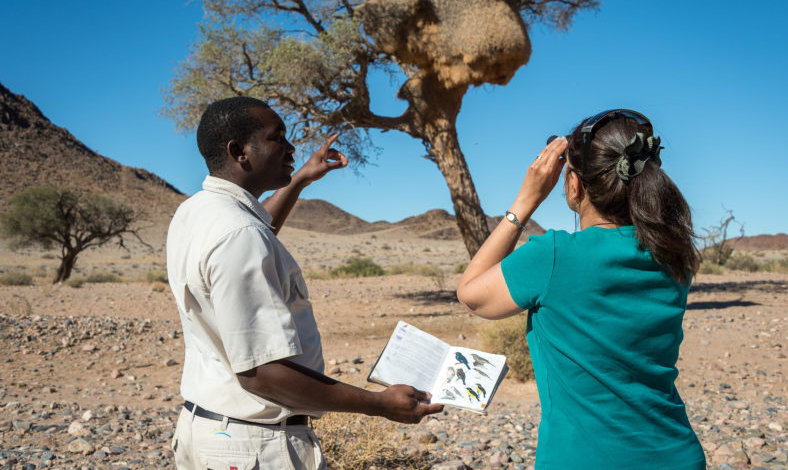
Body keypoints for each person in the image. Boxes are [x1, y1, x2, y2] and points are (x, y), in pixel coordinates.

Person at [167, 96, 442, 470]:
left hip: (210, 429)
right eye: (277, 137)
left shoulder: (198, 211)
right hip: (256, 446)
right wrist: (378, 404)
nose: (291, 147)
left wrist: (300, 179)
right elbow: (260, 374)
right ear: (239, 151)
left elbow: (257, 230)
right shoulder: (239, 233)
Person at [457, 109, 705, 469]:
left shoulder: (555, 256)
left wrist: (525, 202)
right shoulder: (675, 256)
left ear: (574, 185)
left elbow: (471, 295)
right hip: (675, 454)